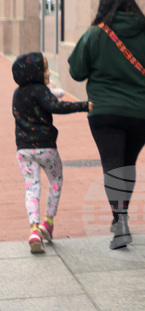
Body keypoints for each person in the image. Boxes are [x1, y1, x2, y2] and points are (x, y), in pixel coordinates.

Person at [68, 0, 145, 249]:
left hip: (105, 112)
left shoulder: (96, 34)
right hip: (142, 113)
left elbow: (76, 72)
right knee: (127, 162)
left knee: (113, 163)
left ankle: (120, 219)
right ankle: (121, 216)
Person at [11, 52, 91, 253]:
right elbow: (55, 106)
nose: (48, 72)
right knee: (56, 181)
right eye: (45, 69)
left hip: (24, 150)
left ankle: (34, 230)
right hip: (46, 148)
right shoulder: (41, 91)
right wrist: (83, 105)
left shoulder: (17, 94)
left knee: (32, 187)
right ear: (35, 72)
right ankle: (48, 223)